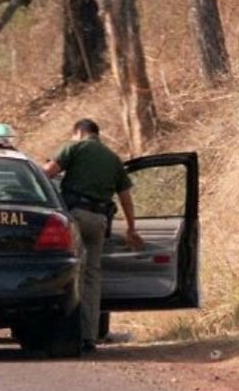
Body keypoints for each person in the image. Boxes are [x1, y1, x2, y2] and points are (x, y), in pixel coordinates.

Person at [42, 118, 144, 353]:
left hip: (74, 217)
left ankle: (65, 332)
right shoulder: (112, 158)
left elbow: (48, 173)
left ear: (79, 132)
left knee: (68, 273)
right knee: (91, 277)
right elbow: (126, 197)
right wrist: (131, 228)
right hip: (99, 220)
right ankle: (89, 336)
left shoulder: (74, 147)